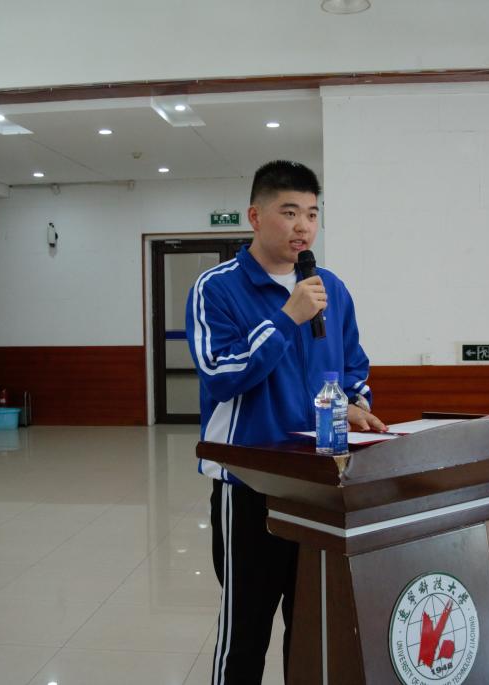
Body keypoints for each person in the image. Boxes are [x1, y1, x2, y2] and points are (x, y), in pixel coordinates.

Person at [186, 160, 385, 684]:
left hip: (319, 483)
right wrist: (285, 317)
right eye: (289, 212)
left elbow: (353, 367)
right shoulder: (217, 288)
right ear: (255, 216)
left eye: (312, 214)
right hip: (250, 485)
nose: (303, 226)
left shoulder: (330, 288)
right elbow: (220, 375)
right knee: (246, 629)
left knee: (313, 622)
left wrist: (356, 404)